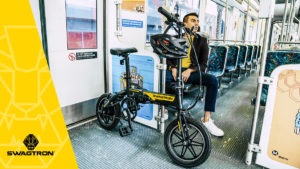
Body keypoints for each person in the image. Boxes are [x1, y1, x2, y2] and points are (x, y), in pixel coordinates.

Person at [165, 12, 224, 137]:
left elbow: (203, 64)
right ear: (184, 23)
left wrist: (190, 70)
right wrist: (173, 67)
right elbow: (168, 57)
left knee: (213, 81)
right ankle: (164, 108)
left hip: (191, 71)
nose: (196, 23)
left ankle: (207, 120)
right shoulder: (175, 38)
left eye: (197, 21)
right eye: (193, 20)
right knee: (160, 77)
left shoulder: (201, 41)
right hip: (176, 70)